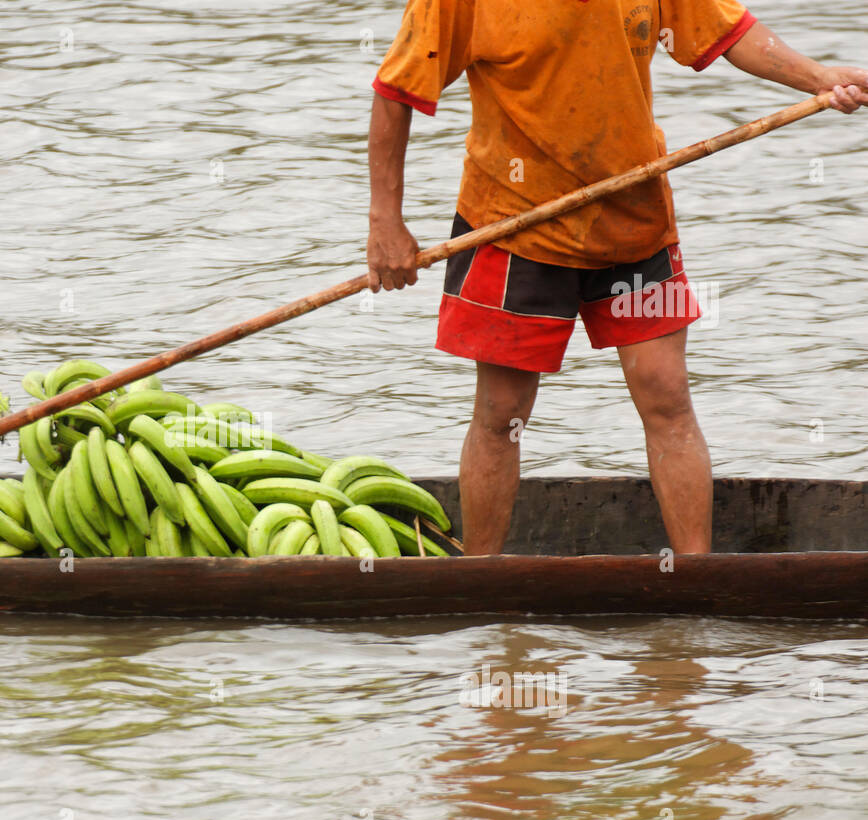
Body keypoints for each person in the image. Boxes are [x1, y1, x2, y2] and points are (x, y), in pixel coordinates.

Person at [366, 1, 867, 555]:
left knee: (666, 394)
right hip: (512, 225)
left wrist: (820, 78)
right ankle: (479, 582)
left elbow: (728, 33)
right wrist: (386, 223)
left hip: (632, 219)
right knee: (501, 412)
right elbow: (397, 91)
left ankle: (695, 580)